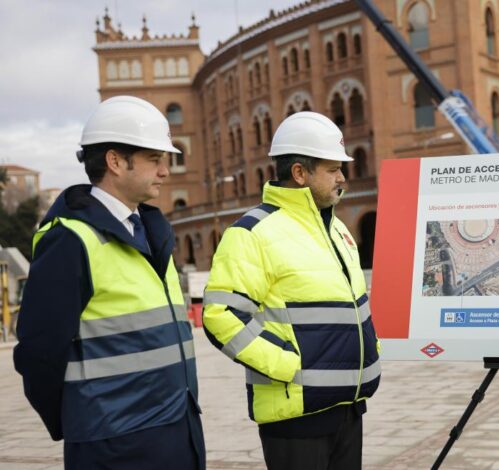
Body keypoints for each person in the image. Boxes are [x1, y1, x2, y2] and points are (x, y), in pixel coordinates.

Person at [13, 96, 205, 470]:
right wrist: (85, 421)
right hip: (114, 446)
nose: (166, 171)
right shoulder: (69, 240)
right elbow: (38, 354)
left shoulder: (152, 232)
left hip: (177, 431)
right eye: (154, 159)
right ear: (116, 161)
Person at [202, 111, 381, 470]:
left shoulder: (337, 231)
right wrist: (289, 365)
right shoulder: (253, 232)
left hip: (348, 405)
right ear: (300, 173)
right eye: (332, 169)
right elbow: (221, 316)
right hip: (296, 415)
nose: (342, 178)